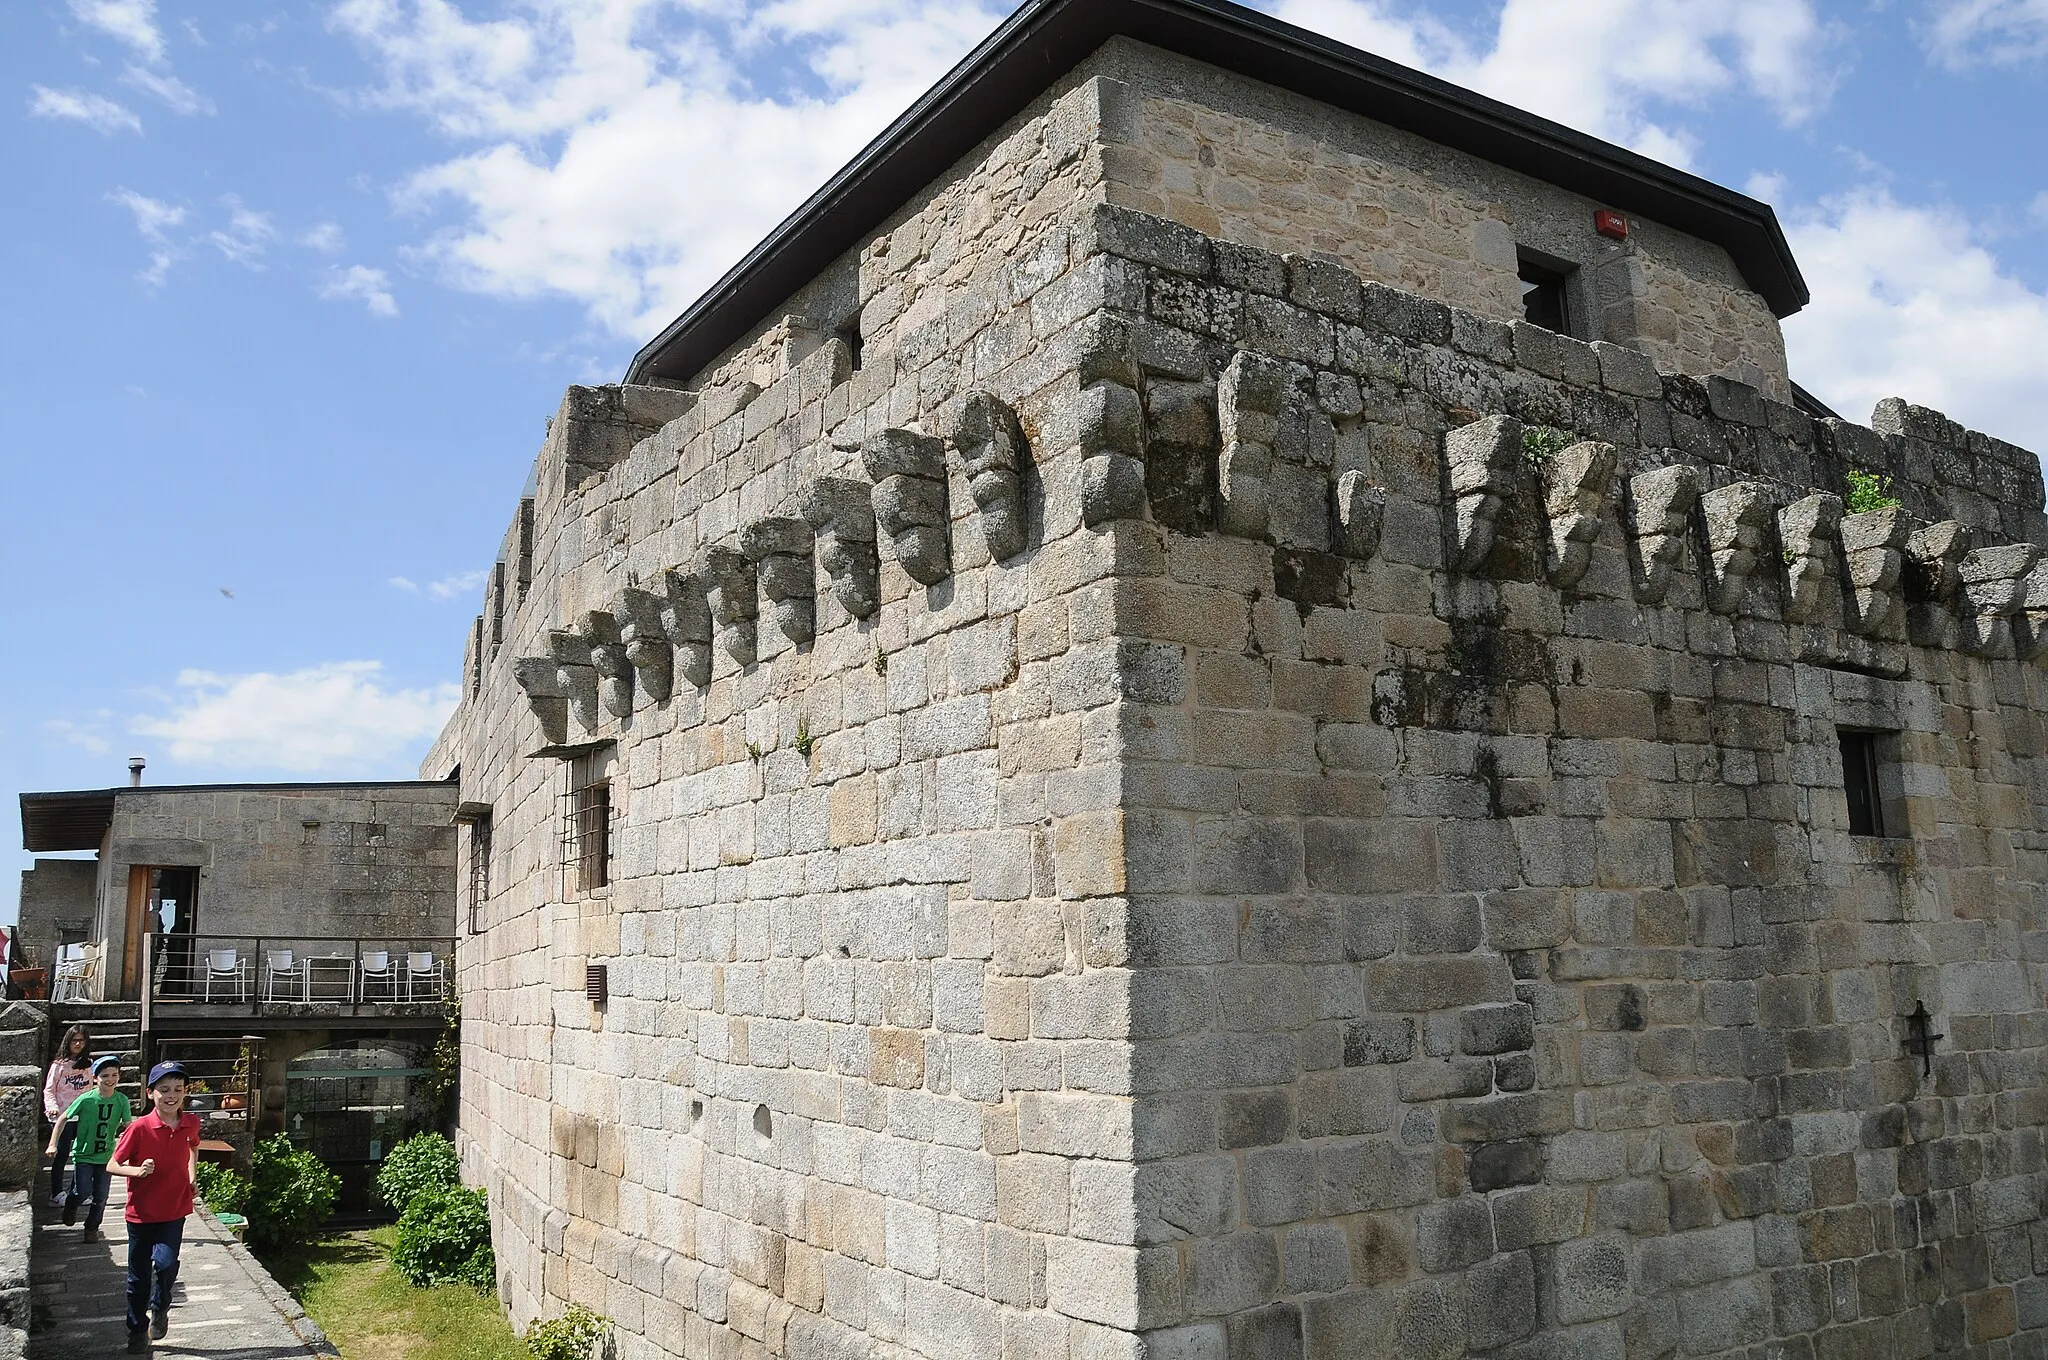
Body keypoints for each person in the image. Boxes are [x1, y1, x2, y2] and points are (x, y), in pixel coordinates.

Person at [109, 1061, 202, 1354]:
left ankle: (160, 1306)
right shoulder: (139, 1128)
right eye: (164, 1090)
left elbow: (193, 1147)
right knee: (138, 1276)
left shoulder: (191, 1123)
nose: (171, 1096)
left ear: (185, 1092)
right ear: (150, 1093)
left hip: (175, 1208)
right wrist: (137, 1171)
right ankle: (137, 1329)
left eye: (177, 1089)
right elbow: (113, 1164)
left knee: (165, 1264)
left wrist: (192, 1177)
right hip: (141, 1214)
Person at [49, 1055, 130, 1242]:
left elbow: (128, 1124)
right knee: (82, 1192)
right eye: (105, 1076)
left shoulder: (122, 1100)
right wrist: (53, 1143)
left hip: (106, 1157)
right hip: (84, 1154)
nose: (110, 1080)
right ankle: (71, 1203)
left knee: (101, 1197)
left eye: (114, 1075)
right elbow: (63, 1118)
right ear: (95, 1078)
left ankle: (91, 1228)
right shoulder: (86, 1099)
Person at [42, 1024, 93, 1206]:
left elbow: (90, 1089)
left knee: (81, 1154)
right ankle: (56, 1193)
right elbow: (49, 1090)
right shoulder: (58, 1065)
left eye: (81, 1040)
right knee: (61, 1154)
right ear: (68, 1042)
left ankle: (77, 1191)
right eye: (74, 1040)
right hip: (62, 1115)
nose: (78, 1044)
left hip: (83, 1115)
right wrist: (52, 1108)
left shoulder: (88, 1065)